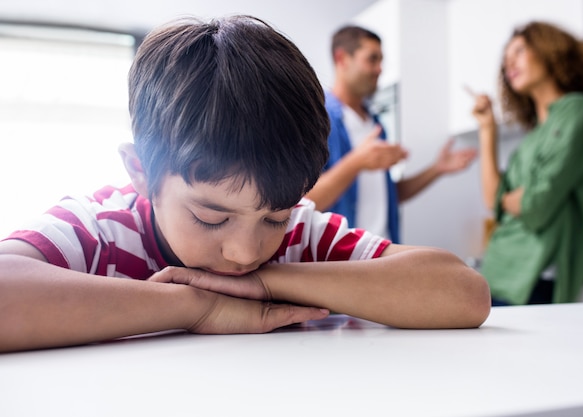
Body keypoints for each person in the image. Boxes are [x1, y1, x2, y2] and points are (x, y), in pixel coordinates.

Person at [0, 16, 490, 352]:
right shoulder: (101, 232)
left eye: (274, 215)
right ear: (141, 173)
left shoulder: (301, 236)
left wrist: (263, 283)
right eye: (211, 217)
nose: (244, 250)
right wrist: (193, 306)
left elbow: (464, 294)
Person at [470, 21, 583, 306]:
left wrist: (511, 201)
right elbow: (491, 198)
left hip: (533, 279)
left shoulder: (577, 110)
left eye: (519, 51)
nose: (510, 64)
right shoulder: (534, 136)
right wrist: (487, 129)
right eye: (506, 60)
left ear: (549, 50)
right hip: (496, 273)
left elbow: (536, 207)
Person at [305, 25, 477, 242]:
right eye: (372, 59)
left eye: (381, 61)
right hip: (341, 265)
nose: (380, 69)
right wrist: (357, 162)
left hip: (382, 254)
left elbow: (388, 197)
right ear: (342, 59)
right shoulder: (318, 118)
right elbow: (304, 203)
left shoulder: (376, 125)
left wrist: (437, 169)